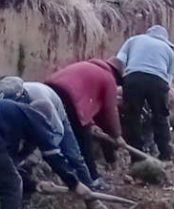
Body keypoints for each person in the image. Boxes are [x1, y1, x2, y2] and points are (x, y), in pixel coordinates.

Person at [0, 77, 102, 193]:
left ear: (22, 96)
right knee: (22, 159)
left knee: (73, 156)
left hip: (54, 118)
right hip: (28, 121)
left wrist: (41, 153)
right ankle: (24, 190)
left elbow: (57, 132)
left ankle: (90, 190)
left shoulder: (42, 101)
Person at [43, 58, 126, 187]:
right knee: (83, 140)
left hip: (46, 90)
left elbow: (91, 104)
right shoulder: (108, 78)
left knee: (45, 133)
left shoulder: (86, 66)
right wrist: (117, 135)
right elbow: (110, 112)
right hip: (68, 96)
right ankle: (91, 180)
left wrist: (92, 124)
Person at [115, 25, 174, 162]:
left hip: (133, 78)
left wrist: (124, 79)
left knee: (133, 118)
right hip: (158, 81)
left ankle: (137, 157)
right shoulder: (170, 51)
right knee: (160, 118)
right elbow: (169, 80)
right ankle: (165, 155)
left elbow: (119, 60)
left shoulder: (133, 40)